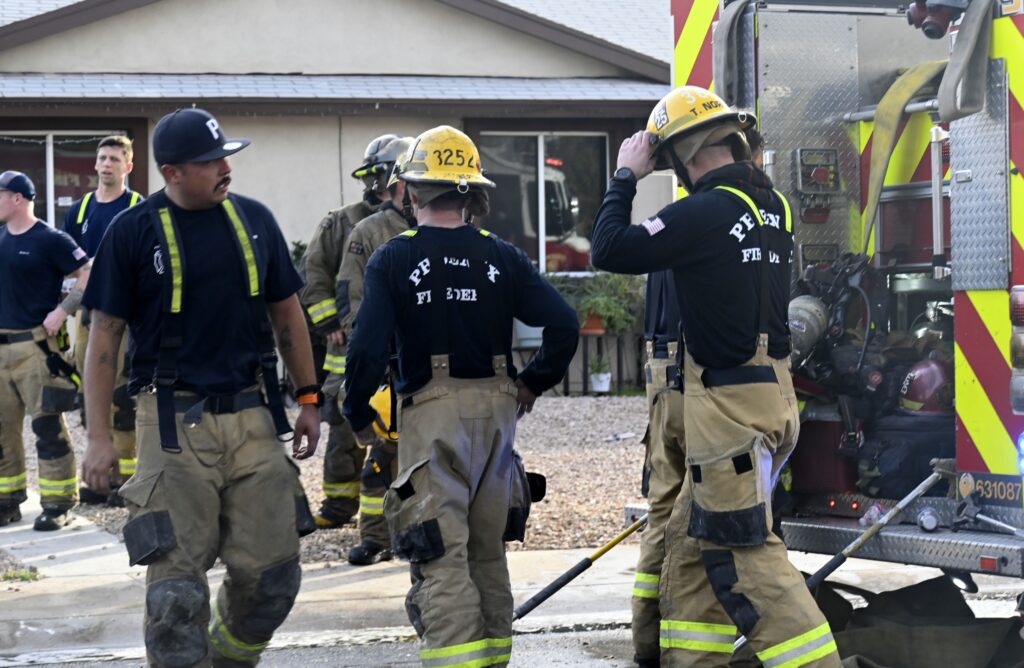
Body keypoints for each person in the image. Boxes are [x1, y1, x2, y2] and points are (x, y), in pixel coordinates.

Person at [591, 86, 841, 667]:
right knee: (689, 546)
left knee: (745, 556)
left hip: (728, 412)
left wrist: (627, 176)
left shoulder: (703, 213)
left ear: (684, 155)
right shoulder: (774, 206)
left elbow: (608, 248)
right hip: (769, 395)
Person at [80, 108, 321, 667]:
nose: (225, 168)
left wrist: (309, 399)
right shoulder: (132, 232)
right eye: (211, 161)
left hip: (253, 417)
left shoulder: (255, 220)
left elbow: (288, 315)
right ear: (172, 172)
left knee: (274, 580)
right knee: (175, 600)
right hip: (170, 426)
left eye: (225, 157)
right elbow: (104, 339)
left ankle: (228, 660)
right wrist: (97, 438)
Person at [343, 125, 578, 667]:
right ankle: (493, 659)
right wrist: (531, 382)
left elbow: (366, 350)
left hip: (432, 421)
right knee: (487, 551)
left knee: (441, 555)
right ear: (471, 193)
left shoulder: (393, 258)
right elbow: (564, 324)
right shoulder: (503, 256)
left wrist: (357, 413)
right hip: (498, 418)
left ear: (411, 190)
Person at [302, 133, 404, 529]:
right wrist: (330, 323)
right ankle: (338, 505)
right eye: (371, 175)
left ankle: (385, 518)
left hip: (394, 352)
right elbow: (316, 275)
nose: (374, 183)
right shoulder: (343, 222)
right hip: (346, 350)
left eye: (381, 174)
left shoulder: (415, 219)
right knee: (345, 432)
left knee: (390, 434)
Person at [335, 135, 416, 566]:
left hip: (430, 367)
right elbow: (352, 299)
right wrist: (370, 349)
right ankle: (376, 537)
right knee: (381, 458)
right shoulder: (368, 232)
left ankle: (420, 534)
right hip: (387, 366)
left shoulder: (442, 224)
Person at [0, 170, 91, 531]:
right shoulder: (0, 238)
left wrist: (63, 311)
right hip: (1, 350)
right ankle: (7, 500)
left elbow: (87, 272)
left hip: (37, 348)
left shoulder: (50, 239)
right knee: (2, 430)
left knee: (47, 426)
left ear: (17, 198)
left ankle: (58, 504)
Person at [64, 135, 144, 504]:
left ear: (128, 166)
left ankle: (125, 481)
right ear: (95, 164)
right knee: (91, 392)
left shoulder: (138, 208)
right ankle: (99, 477)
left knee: (122, 396)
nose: (106, 164)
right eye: (102, 158)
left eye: (114, 158)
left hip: (126, 316)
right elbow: (67, 264)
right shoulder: (79, 211)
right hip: (89, 314)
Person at [631, 270, 685, 668]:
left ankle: (648, 640)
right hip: (692, 366)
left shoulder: (661, 236)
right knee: (710, 507)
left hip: (664, 364)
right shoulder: (707, 233)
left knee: (662, 511)